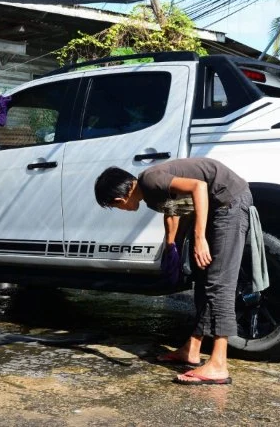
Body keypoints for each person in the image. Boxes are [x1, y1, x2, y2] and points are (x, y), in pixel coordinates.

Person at [94, 158, 252, 385]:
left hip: (230, 202)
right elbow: (174, 211)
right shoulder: (149, 194)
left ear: (119, 199)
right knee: (203, 279)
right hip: (217, 206)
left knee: (219, 283)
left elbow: (200, 187)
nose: (123, 210)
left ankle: (219, 364)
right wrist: (170, 245)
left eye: (116, 207)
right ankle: (192, 349)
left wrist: (199, 238)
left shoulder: (150, 180)